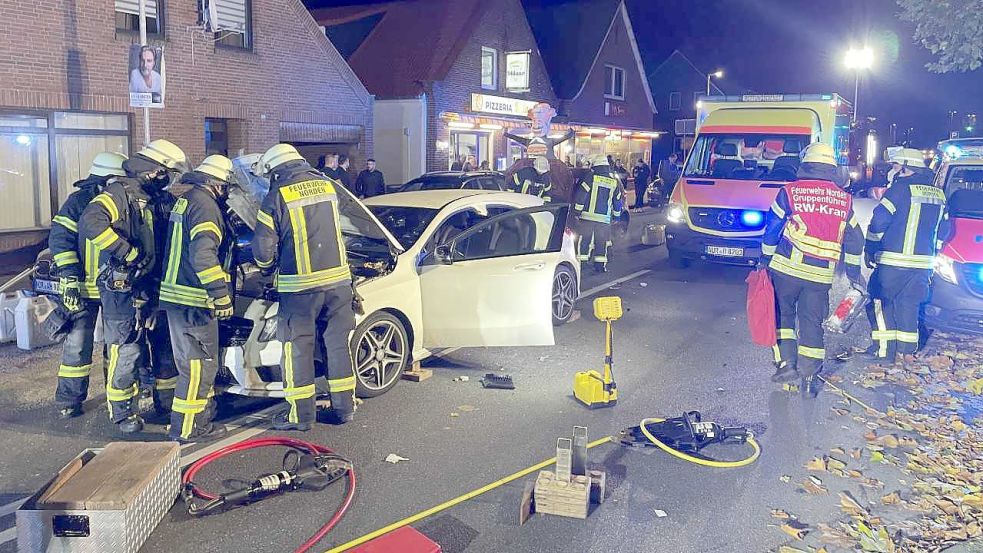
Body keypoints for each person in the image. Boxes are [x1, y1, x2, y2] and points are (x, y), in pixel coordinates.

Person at [80, 139, 187, 434]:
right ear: (153, 170)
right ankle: (122, 412)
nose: (168, 180)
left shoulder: (156, 199)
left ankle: (166, 402)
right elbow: (91, 222)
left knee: (164, 345)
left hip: (153, 285)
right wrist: (125, 251)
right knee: (126, 349)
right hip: (122, 289)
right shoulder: (119, 193)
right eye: (167, 173)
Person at [252, 144, 357, 431]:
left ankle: (300, 416)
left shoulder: (277, 194)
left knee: (297, 350)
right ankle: (345, 408)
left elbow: (262, 246)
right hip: (338, 284)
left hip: (300, 290)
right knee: (337, 347)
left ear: (275, 170)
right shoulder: (327, 185)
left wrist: (265, 269)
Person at [760, 143, 864, 389]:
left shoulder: (790, 191)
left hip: (786, 269)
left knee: (784, 316)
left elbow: (772, 228)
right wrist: (853, 274)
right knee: (811, 322)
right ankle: (809, 376)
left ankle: (787, 364)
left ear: (805, 164)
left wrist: (764, 259)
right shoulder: (843, 200)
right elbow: (855, 239)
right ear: (832, 169)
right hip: (819, 277)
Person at [159, 155, 237, 442]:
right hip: (194, 300)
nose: (227, 191)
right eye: (226, 185)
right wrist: (220, 295)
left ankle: (198, 418)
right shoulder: (206, 207)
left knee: (192, 365)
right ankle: (190, 428)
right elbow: (204, 256)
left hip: (178, 296)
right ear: (216, 184)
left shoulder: (188, 199)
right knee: (198, 367)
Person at [50, 152, 128, 419]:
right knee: (77, 346)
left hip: (114, 289)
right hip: (84, 289)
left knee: (114, 347)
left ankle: (115, 399)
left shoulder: (120, 202)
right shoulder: (78, 202)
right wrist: (70, 277)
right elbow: (60, 241)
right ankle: (69, 400)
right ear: (108, 179)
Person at [864, 148, 946, 365]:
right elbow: (943, 230)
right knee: (909, 304)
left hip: (893, 262)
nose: (893, 170)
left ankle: (884, 351)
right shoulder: (938, 193)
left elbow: (879, 222)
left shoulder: (899, 189)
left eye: (895, 166)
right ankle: (907, 352)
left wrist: (870, 247)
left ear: (906, 167)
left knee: (879, 302)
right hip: (923, 265)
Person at [573, 156, 624, 273]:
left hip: (587, 217)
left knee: (585, 240)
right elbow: (617, 200)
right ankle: (600, 266)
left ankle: (582, 264)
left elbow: (582, 194)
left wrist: (577, 211)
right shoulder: (613, 180)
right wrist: (616, 217)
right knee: (601, 242)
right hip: (604, 219)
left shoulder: (591, 177)